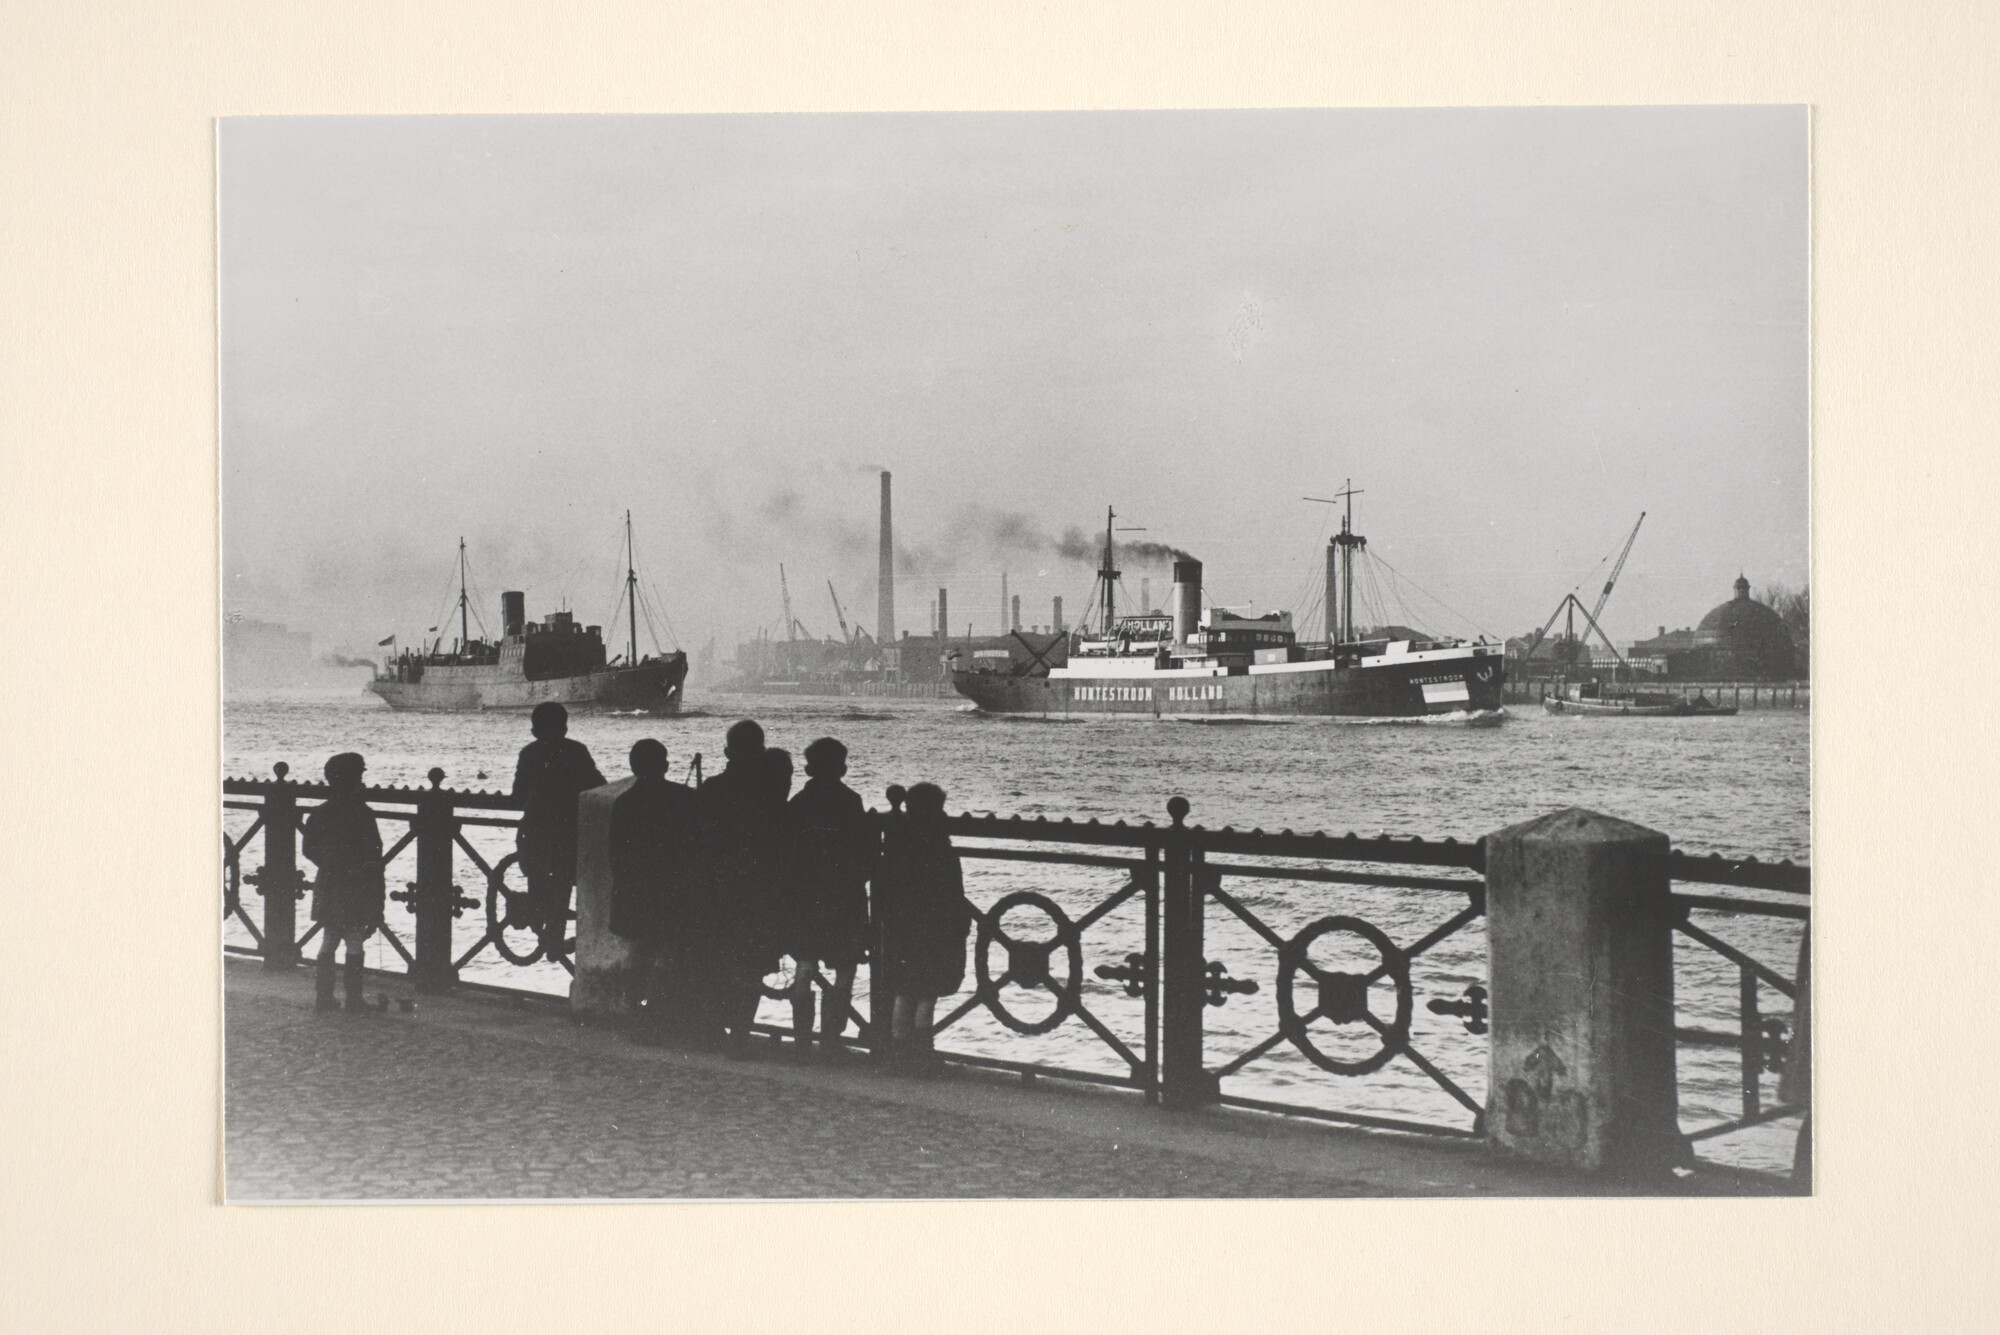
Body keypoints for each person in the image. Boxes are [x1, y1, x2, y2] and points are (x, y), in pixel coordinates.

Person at [689, 719, 776, 1053]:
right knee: (751, 968)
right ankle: (741, 1033)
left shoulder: (711, 788)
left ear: (727, 752)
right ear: (762, 751)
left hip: (715, 890)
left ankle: (712, 1029)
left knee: (714, 961)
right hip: (756, 892)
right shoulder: (770, 792)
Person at [785, 737, 873, 1058]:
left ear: (808, 769)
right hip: (843, 899)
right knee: (845, 970)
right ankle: (831, 1040)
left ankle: (801, 1041)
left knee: (805, 967)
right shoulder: (852, 802)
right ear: (843, 768)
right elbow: (864, 853)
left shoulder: (798, 803)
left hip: (805, 899)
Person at [875, 781, 970, 1066]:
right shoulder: (941, 846)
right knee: (928, 993)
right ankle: (922, 1055)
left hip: (901, 927)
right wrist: (960, 925)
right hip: (934, 929)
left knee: (903, 989)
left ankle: (896, 1050)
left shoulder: (898, 840)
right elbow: (954, 893)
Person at [607, 738, 697, 1040]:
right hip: (671, 892)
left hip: (633, 892)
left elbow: (615, 854)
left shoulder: (624, 802)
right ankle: (660, 1017)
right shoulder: (683, 797)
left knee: (634, 953)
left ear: (633, 767)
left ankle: (632, 1014)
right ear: (666, 766)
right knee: (666, 955)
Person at [511, 702, 606, 958]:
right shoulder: (577, 751)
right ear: (565, 728)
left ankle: (543, 934)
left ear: (534, 730)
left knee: (538, 887)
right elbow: (598, 787)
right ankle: (554, 942)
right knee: (561, 888)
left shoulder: (528, 753)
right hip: (567, 834)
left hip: (535, 834)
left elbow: (518, 796)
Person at [301, 752, 385, 1014]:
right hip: (355, 884)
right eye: (360, 776)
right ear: (355, 781)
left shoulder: (321, 812)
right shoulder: (362, 813)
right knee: (354, 939)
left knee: (329, 938)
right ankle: (354, 999)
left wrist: (328, 864)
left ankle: (324, 998)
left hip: (328, 882)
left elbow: (308, 848)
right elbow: (374, 853)